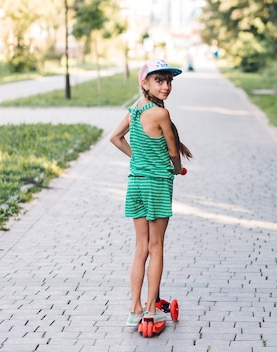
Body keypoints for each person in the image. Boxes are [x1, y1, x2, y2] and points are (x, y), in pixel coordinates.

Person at [109, 58, 193, 326]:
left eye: (169, 81)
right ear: (144, 83)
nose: (166, 86)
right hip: (157, 184)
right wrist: (178, 170)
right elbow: (172, 151)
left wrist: (137, 160)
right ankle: (149, 309)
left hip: (135, 183)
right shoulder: (161, 115)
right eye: (159, 80)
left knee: (140, 248)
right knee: (156, 247)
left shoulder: (134, 110)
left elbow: (115, 137)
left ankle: (134, 310)